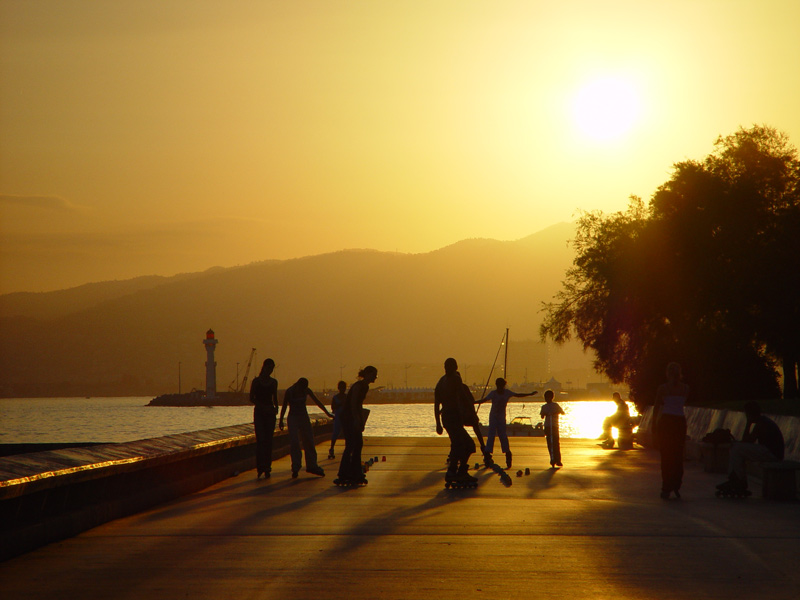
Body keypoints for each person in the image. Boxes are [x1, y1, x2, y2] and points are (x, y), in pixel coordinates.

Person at [717, 401, 785, 494]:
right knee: (736, 448)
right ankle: (735, 478)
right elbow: (747, 441)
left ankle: (738, 480)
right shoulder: (762, 421)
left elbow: (747, 440)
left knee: (736, 448)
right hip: (769, 451)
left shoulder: (762, 424)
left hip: (771, 453)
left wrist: (748, 424)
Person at [279, 377, 333, 478]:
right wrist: (281, 420)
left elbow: (317, 401)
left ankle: (312, 465)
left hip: (304, 417)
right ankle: (296, 466)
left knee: (309, 440)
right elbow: (285, 406)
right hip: (293, 417)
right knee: (294, 442)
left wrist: (327, 413)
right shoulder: (290, 391)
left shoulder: (306, 390)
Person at [478, 377, 537, 468]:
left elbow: (518, 395)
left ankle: (507, 454)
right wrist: (473, 402)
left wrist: (530, 394)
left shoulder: (507, 393)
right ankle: (487, 454)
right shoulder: (493, 393)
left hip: (501, 418)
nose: (500, 388)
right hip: (493, 417)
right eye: (499, 386)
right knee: (491, 435)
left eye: (502, 386)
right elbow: (484, 400)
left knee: (503, 435)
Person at [435, 358, 477, 486]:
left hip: (447, 418)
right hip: (453, 416)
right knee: (468, 445)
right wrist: (471, 411)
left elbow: (437, 405)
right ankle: (458, 471)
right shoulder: (454, 379)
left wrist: (438, 423)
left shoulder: (440, 382)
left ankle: (455, 471)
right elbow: (462, 396)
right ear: (455, 367)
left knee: (457, 444)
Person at [336, 366, 378, 485]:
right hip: (348, 418)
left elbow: (358, 405)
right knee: (351, 445)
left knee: (357, 444)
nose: (375, 377)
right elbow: (354, 403)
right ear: (368, 374)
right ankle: (344, 473)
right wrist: (356, 419)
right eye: (374, 374)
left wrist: (361, 420)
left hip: (353, 417)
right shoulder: (360, 386)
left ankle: (354, 472)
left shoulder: (365, 386)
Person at [654, 362, 689, 499]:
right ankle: (676, 484)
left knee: (666, 456)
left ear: (667, 373)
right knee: (678, 455)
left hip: (666, 422)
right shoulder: (686, 388)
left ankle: (666, 486)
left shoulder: (663, 388)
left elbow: (657, 407)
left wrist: (653, 426)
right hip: (680, 422)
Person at [250, 358, 278, 479]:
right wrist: (261, 406)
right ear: (264, 367)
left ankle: (267, 466)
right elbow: (252, 397)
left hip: (270, 413)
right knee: (260, 440)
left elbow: (274, 397)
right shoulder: (256, 381)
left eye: (272, 368)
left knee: (268, 440)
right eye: (269, 367)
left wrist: (276, 408)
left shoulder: (273, 382)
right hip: (260, 413)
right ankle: (260, 466)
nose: (270, 370)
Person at [540, 389, 565, 468]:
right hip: (547, 426)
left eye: (547, 397)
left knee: (555, 443)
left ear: (551, 397)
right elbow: (542, 416)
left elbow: (562, 412)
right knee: (549, 443)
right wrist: (545, 414)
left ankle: (558, 460)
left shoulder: (555, 405)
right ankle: (552, 458)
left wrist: (556, 412)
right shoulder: (544, 407)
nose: (546, 399)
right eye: (545, 397)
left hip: (554, 426)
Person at [328, 380, 347, 459]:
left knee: (347, 434)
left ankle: (347, 450)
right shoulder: (335, 398)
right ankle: (332, 448)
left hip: (346, 418)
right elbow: (333, 407)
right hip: (338, 417)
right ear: (339, 388)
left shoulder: (347, 397)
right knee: (335, 433)